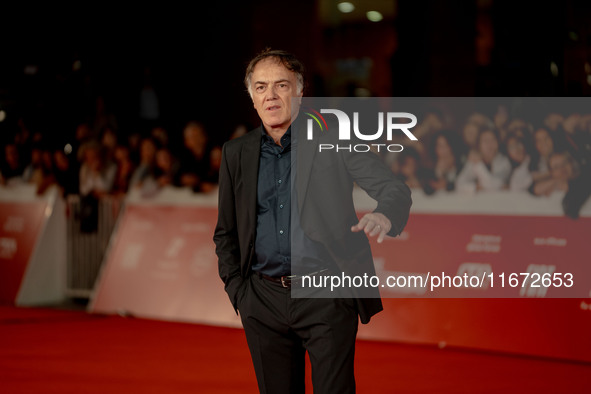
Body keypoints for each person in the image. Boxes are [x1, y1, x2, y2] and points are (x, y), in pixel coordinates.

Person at [213, 49, 411, 393]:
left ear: (300, 91)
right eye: (261, 87)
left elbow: (394, 189)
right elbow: (226, 232)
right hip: (262, 300)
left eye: (281, 85)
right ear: (251, 96)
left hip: (327, 295)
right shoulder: (236, 152)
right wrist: (241, 294)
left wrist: (384, 213)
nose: (271, 96)